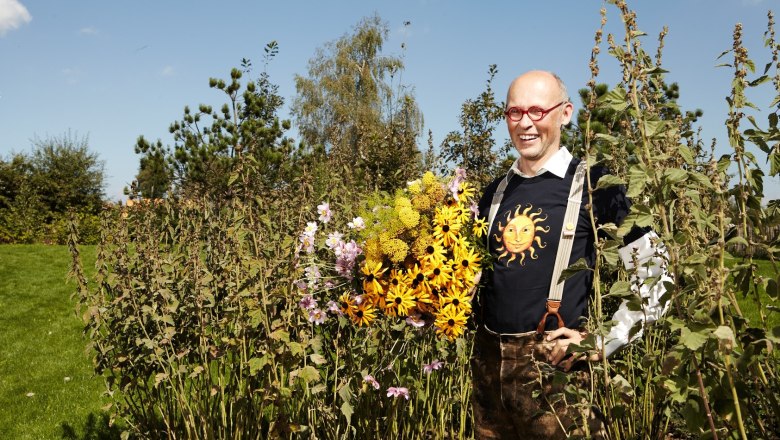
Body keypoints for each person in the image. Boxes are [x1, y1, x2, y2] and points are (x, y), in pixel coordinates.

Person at [471, 70, 671, 439]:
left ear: (564, 113)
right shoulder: (494, 193)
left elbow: (657, 272)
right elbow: (474, 279)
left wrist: (605, 339)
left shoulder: (595, 184)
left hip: (555, 375)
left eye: (537, 110)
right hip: (488, 381)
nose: (525, 123)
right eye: (514, 112)